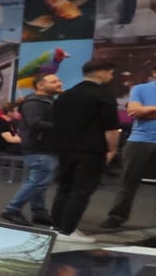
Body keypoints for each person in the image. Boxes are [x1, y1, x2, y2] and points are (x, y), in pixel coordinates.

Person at [49, 58, 121, 239]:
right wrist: (112, 149)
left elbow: (56, 124)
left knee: (64, 187)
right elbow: (111, 128)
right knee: (81, 191)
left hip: (65, 149)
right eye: (111, 73)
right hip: (91, 151)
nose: (111, 77)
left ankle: (55, 227)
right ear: (103, 72)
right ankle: (67, 231)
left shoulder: (66, 95)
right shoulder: (104, 95)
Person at [100, 64, 156, 231]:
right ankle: (116, 216)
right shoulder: (140, 89)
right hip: (140, 141)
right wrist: (143, 111)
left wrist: (147, 111)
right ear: (154, 73)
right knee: (128, 182)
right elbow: (134, 111)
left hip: (141, 139)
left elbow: (141, 111)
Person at [2, 73, 62, 225]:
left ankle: (39, 212)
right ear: (40, 85)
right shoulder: (34, 102)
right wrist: (62, 126)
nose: (59, 83)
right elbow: (35, 123)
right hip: (39, 147)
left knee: (39, 182)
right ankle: (12, 209)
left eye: (59, 81)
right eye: (54, 81)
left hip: (45, 147)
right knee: (38, 181)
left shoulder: (47, 101)